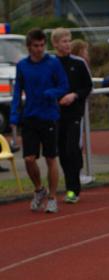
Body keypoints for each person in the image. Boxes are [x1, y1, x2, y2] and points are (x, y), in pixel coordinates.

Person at [10, 28, 69, 213]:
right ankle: (39, 189)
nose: (39, 48)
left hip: (49, 116)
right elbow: (17, 91)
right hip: (30, 116)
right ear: (29, 47)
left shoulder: (53, 63)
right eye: (36, 45)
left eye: (42, 45)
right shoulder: (22, 66)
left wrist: (52, 92)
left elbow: (64, 85)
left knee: (51, 158)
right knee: (28, 159)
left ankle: (52, 197)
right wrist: (14, 114)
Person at [51, 28, 93, 205]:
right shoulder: (50, 64)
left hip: (75, 113)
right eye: (63, 41)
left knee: (72, 149)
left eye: (69, 40)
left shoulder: (79, 63)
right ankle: (69, 184)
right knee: (61, 150)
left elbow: (88, 86)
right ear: (55, 44)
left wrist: (74, 95)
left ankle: (73, 188)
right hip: (55, 114)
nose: (67, 44)